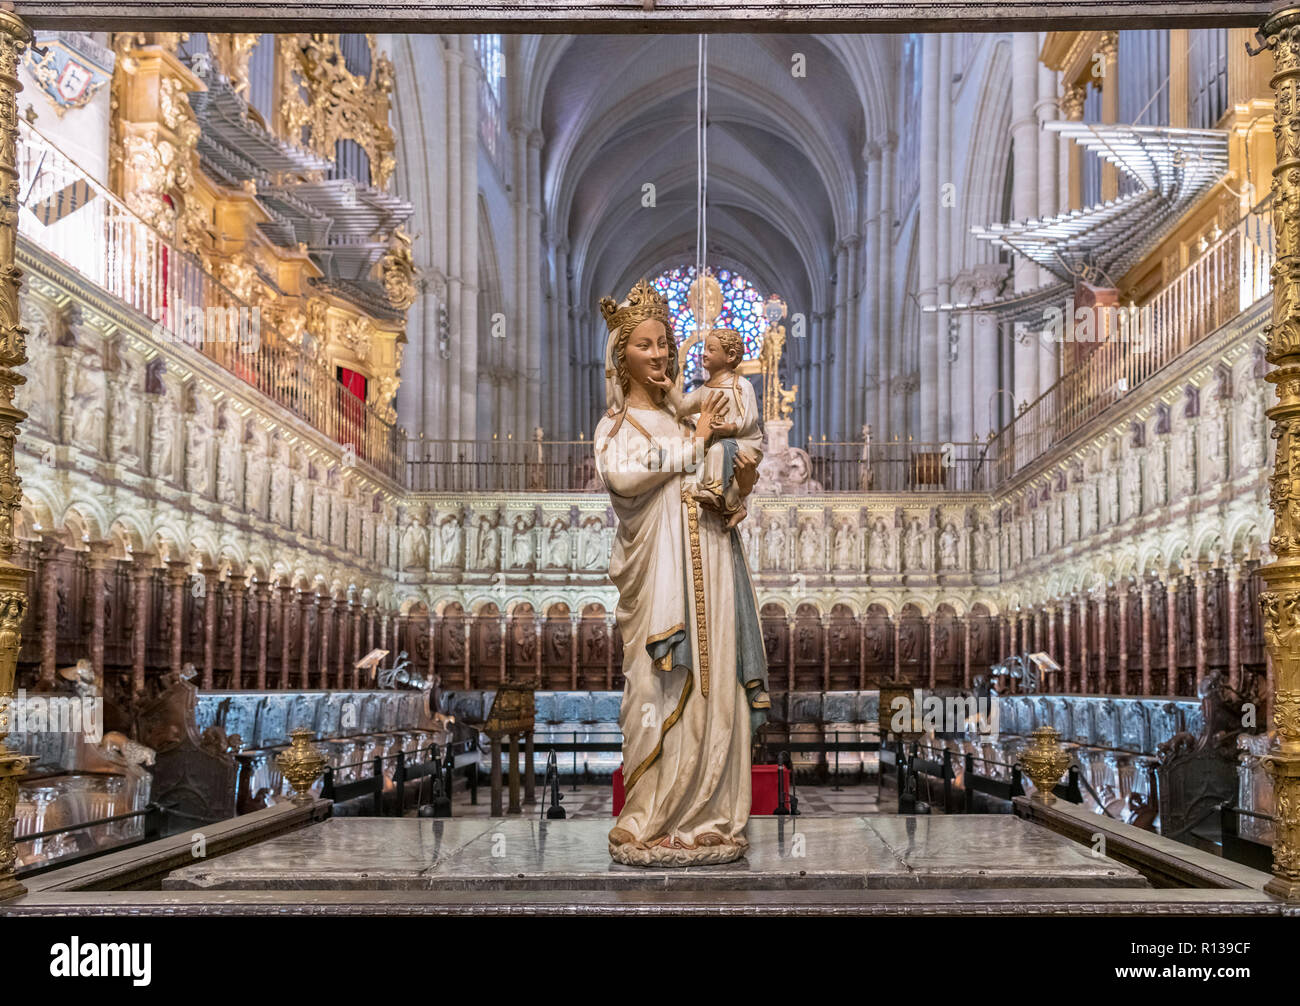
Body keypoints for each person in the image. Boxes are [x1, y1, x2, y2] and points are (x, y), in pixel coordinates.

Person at [594, 279, 770, 867]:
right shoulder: (616, 428)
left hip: (713, 566)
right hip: (659, 585)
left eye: (666, 342)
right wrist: (695, 443)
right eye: (647, 345)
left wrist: (733, 486)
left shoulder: (681, 415)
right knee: (655, 686)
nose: (662, 353)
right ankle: (649, 816)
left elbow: (722, 466)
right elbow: (624, 479)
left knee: (715, 684)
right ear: (623, 355)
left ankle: (708, 818)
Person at [663, 327, 763, 529]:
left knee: (717, 452)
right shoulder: (705, 389)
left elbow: (750, 418)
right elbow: (683, 406)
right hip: (719, 443)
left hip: (743, 442)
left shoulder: (741, 385)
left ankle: (716, 494)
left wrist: (730, 427)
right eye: (704, 348)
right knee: (714, 454)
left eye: (711, 349)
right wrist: (668, 387)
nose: (704, 353)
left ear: (730, 355)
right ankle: (729, 505)